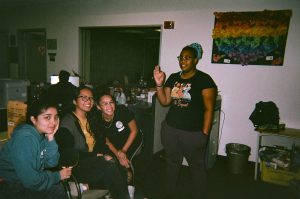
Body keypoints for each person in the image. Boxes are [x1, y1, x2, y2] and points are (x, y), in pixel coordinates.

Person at [153, 43, 218, 199]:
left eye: (188, 58)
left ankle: (200, 195)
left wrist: (204, 134)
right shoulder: (174, 77)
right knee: (171, 163)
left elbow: (209, 109)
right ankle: (170, 193)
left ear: (196, 60)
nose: (183, 61)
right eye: (181, 58)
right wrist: (159, 84)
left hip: (193, 133)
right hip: (171, 129)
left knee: (196, 167)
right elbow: (165, 101)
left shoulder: (204, 80)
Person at [55, 85, 130, 199]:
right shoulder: (67, 123)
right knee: (110, 167)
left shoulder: (91, 118)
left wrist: (108, 155)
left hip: (92, 162)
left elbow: (101, 142)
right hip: (76, 166)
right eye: (84, 98)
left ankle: (87, 186)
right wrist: (97, 156)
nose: (88, 101)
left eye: (90, 98)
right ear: (75, 101)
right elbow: (67, 155)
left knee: (121, 171)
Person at [0, 99, 72, 199]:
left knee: (56, 188)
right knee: (56, 190)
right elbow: (31, 181)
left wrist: (51, 137)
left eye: (55, 118)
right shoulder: (25, 139)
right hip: (9, 185)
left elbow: (51, 163)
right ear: (33, 119)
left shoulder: (40, 135)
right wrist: (58, 176)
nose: (53, 122)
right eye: (47, 117)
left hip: (21, 182)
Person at [95, 89, 140, 199]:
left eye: (111, 102)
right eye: (104, 103)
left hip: (132, 140)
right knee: (112, 161)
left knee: (126, 163)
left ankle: (130, 192)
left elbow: (134, 131)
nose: (109, 106)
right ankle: (111, 190)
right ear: (98, 107)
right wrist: (118, 154)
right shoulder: (97, 120)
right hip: (114, 144)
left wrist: (123, 152)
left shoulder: (122, 110)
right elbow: (107, 141)